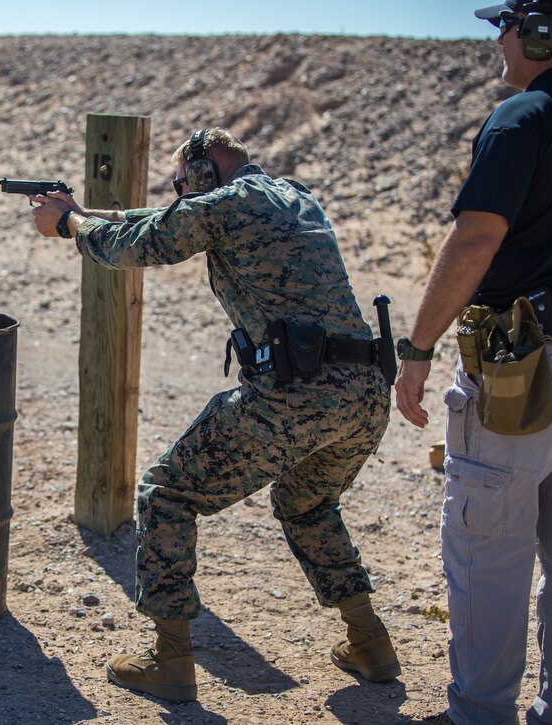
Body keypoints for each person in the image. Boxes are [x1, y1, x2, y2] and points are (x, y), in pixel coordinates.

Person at [28, 128, 399, 702]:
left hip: (297, 397)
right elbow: (170, 216)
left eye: (183, 182)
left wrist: (70, 225)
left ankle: (170, 660)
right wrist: (85, 207)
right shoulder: (292, 195)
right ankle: (370, 643)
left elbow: (137, 247)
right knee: (307, 503)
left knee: (167, 494)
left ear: (201, 172)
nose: (182, 193)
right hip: (365, 394)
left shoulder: (221, 206)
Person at [394, 1, 552, 723]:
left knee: (490, 546)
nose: (500, 41)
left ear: (543, 32)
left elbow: (476, 239)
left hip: (528, 362)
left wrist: (416, 347)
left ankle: (480, 712)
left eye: (508, 26)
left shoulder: (523, 116)